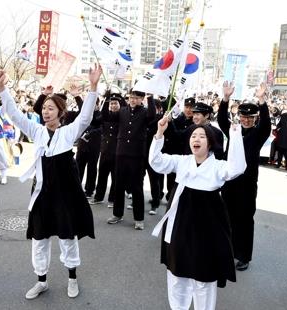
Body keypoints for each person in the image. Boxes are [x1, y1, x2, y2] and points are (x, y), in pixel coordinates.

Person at [0, 65, 101, 299]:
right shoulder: (36, 131)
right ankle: (41, 280)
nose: (46, 112)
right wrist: (2, 89)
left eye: (51, 108)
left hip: (65, 194)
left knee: (67, 237)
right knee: (39, 238)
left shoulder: (68, 133)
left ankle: (72, 278)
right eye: (44, 108)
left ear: (60, 112)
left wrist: (93, 87)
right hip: (42, 193)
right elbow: (14, 115)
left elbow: (86, 117)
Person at [148, 115, 246, 310]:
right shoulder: (182, 161)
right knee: (177, 273)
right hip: (180, 222)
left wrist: (235, 135)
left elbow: (237, 168)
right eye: (193, 136)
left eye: (202, 136)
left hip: (208, 225)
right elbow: (156, 162)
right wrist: (160, 132)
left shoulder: (218, 166)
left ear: (210, 143)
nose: (196, 139)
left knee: (204, 276)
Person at [217, 82, 271, 271]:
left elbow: (267, 125)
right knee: (226, 218)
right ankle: (226, 251)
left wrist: (262, 101)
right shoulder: (234, 132)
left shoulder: (258, 134)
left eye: (250, 117)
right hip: (229, 182)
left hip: (247, 185)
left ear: (255, 118)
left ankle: (243, 256)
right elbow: (222, 120)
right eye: (243, 116)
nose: (246, 120)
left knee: (245, 220)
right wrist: (225, 99)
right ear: (238, 117)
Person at [103, 89, 156, 230]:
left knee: (137, 187)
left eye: (136, 98)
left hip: (137, 155)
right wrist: (106, 99)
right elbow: (106, 116)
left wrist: (151, 98)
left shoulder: (144, 112)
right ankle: (117, 214)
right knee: (118, 184)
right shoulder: (122, 111)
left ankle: (138, 218)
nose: (133, 100)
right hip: (121, 153)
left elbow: (152, 116)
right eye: (131, 97)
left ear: (141, 99)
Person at [90, 93, 124, 207]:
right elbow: (97, 119)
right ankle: (98, 197)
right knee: (102, 176)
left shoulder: (122, 116)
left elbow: (117, 115)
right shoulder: (105, 115)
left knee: (115, 178)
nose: (113, 105)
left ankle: (112, 199)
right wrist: (106, 97)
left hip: (116, 152)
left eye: (116, 103)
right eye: (112, 103)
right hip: (105, 151)